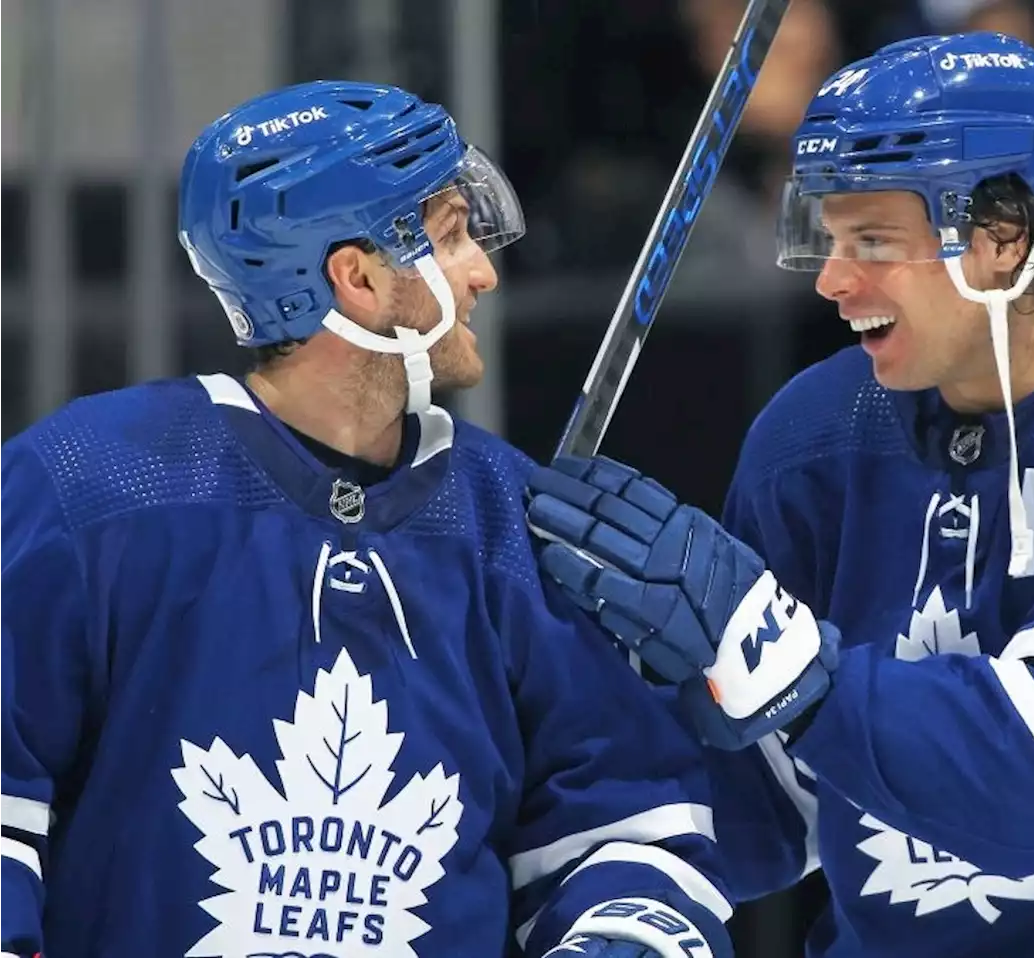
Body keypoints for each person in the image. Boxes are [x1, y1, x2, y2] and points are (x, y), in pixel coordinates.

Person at [527, 32, 1034, 958]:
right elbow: (762, 792)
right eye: (829, 239)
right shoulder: (812, 437)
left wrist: (773, 658)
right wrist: (635, 894)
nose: (838, 283)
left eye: (875, 241)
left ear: (1004, 236)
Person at [0, 80, 734, 958]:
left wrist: (623, 938)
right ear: (354, 279)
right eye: (454, 234)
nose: (485, 272)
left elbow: (626, 825)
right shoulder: (88, 486)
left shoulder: (513, 522)